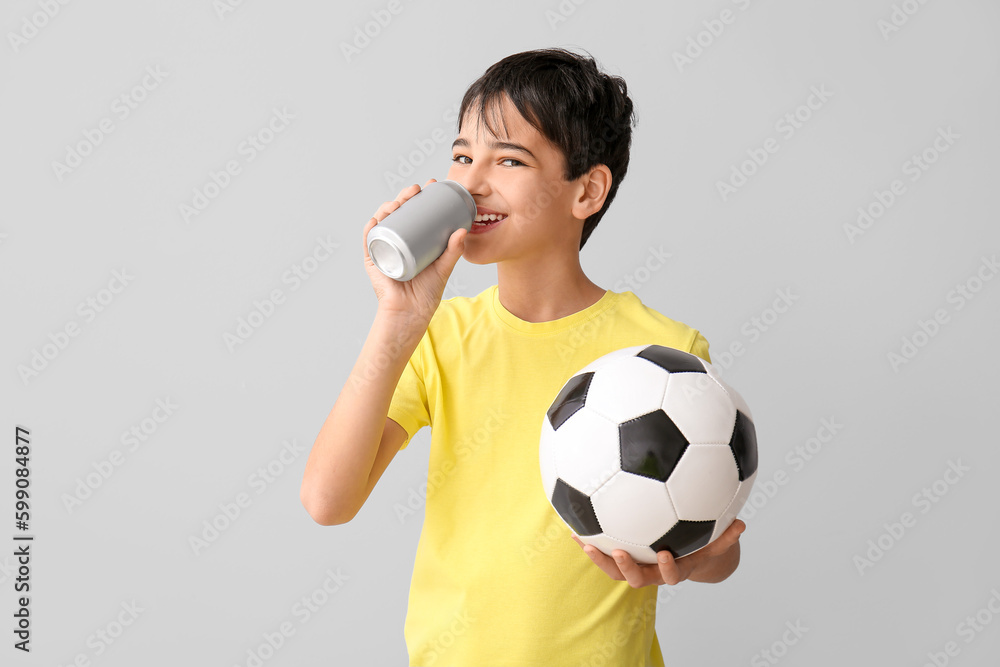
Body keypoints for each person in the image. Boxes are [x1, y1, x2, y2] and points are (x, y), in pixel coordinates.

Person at [300, 47, 746, 667]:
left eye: (509, 159)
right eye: (462, 156)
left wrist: (692, 561)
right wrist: (396, 320)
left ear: (587, 190)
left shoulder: (662, 353)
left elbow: (715, 548)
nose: (472, 182)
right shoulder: (439, 334)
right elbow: (328, 501)